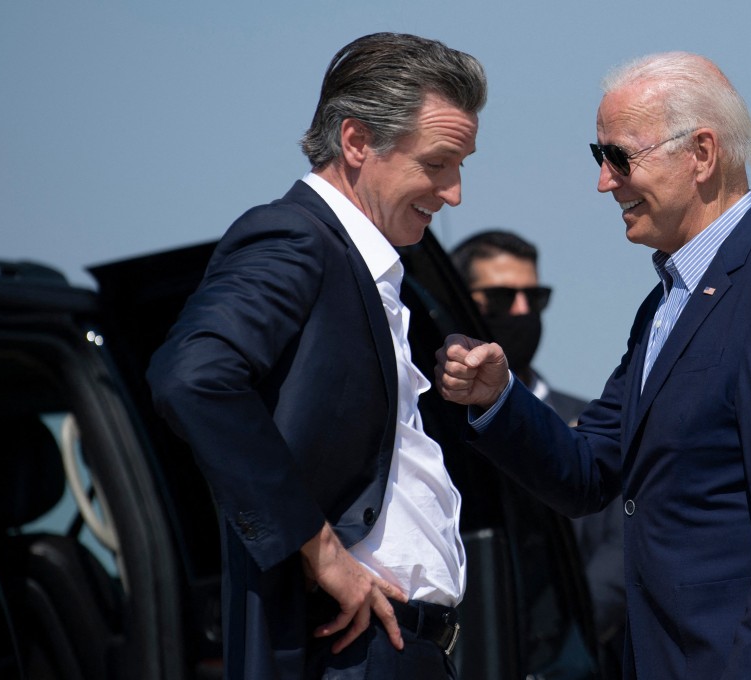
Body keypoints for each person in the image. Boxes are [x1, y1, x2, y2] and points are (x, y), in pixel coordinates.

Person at [435, 52, 751, 679]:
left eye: (619, 156)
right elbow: (589, 470)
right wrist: (499, 399)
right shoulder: (668, 302)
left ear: (701, 154)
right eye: (599, 157)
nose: (604, 181)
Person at [147, 32, 485, 679]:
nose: (455, 192)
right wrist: (320, 547)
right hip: (347, 654)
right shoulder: (297, 237)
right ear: (357, 142)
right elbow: (192, 374)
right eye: (439, 163)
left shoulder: (365, 266)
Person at [451, 230, 627, 678]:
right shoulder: (433, 427)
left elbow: (623, 539)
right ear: (462, 302)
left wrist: (565, 628)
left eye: (535, 296)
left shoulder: (592, 422)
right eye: (502, 296)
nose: (523, 311)